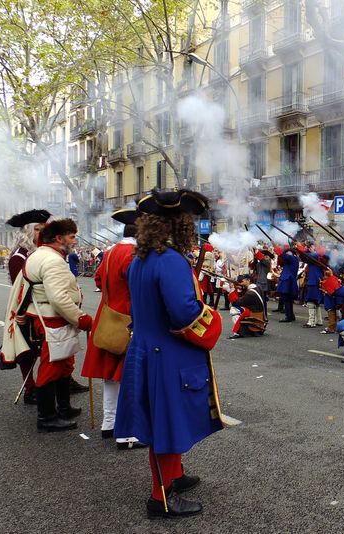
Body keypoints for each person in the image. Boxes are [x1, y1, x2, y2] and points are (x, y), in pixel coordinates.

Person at [114, 190, 225, 518]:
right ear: (178, 225)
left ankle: (174, 475)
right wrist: (214, 318)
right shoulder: (172, 261)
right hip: (168, 355)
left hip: (149, 349)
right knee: (165, 424)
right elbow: (184, 313)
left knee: (168, 420)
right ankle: (160, 497)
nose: (190, 226)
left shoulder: (143, 258)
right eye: (187, 221)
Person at [20, 219, 93, 431]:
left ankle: (63, 408)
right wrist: (81, 318)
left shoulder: (41, 254)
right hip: (52, 318)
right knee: (52, 367)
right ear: (59, 239)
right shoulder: (53, 261)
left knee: (63, 364)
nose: (74, 240)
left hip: (49, 317)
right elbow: (59, 298)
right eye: (71, 236)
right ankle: (46, 417)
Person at [81, 209, 144, 449]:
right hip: (127, 318)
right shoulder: (133, 254)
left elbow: (98, 279)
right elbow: (138, 285)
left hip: (108, 314)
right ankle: (127, 433)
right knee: (130, 374)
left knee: (111, 375)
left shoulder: (111, 252)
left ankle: (109, 422)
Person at [2, 209, 51, 405]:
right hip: (25, 310)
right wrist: (22, 313)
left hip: (40, 307)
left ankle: (60, 382)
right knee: (27, 351)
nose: (42, 233)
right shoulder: (19, 257)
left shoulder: (36, 253)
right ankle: (30, 388)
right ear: (28, 232)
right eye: (38, 229)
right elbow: (20, 291)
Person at [229, 274, 268, 338]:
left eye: (242, 281)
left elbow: (236, 302)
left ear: (248, 280)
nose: (241, 283)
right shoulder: (257, 287)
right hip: (259, 311)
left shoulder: (250, 294)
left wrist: (232, 290)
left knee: (234, 309)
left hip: (254, 312)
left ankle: (239, 331)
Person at [302, 242, 325, 328]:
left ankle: (311, 322)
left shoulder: (317, 255)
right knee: (316, 301)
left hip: (314, 281)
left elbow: (306, 256)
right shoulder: (315, 256)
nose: (310, 248)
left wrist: (303, 248)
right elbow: (304, 256)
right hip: (315, 280)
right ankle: (319, 320)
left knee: (311, 301)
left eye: (312, 247)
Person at [275, 244, 299, 322]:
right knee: (288, 300)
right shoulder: (290, 260)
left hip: (288, 282)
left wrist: (276, 246)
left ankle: (288, 316)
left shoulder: (293, 258)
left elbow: (283, 255)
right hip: (288, 281)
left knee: (287, 300)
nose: (287, 254)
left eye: (289, 253)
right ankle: (291, 315)